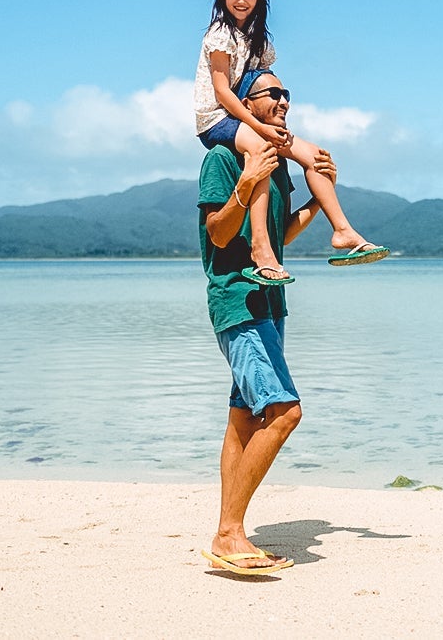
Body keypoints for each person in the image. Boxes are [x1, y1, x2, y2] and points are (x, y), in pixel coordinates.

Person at [196, 68, 321, 576]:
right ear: (245, 103)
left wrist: (317, 201)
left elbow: (276, 232)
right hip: (237, 301)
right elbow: (220, 233)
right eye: (273, 93)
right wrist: (245, 185)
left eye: (287, 93)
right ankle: (228, 531)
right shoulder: (223, 158)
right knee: (284, 412)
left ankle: (231, 530)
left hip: (270, 303)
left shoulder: (277, 164)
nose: (284, 102)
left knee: (243, 418)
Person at [193, 0, 387, 284]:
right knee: (263, 152)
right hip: (217, 119)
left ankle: (344, 232)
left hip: (249, 120)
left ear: (260, 0)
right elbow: (224, 93)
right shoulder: (219, 34)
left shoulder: (258, 41)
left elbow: (261, 81)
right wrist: (260, 127)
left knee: (316, 158)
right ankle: (260, 248)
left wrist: (274, 119)